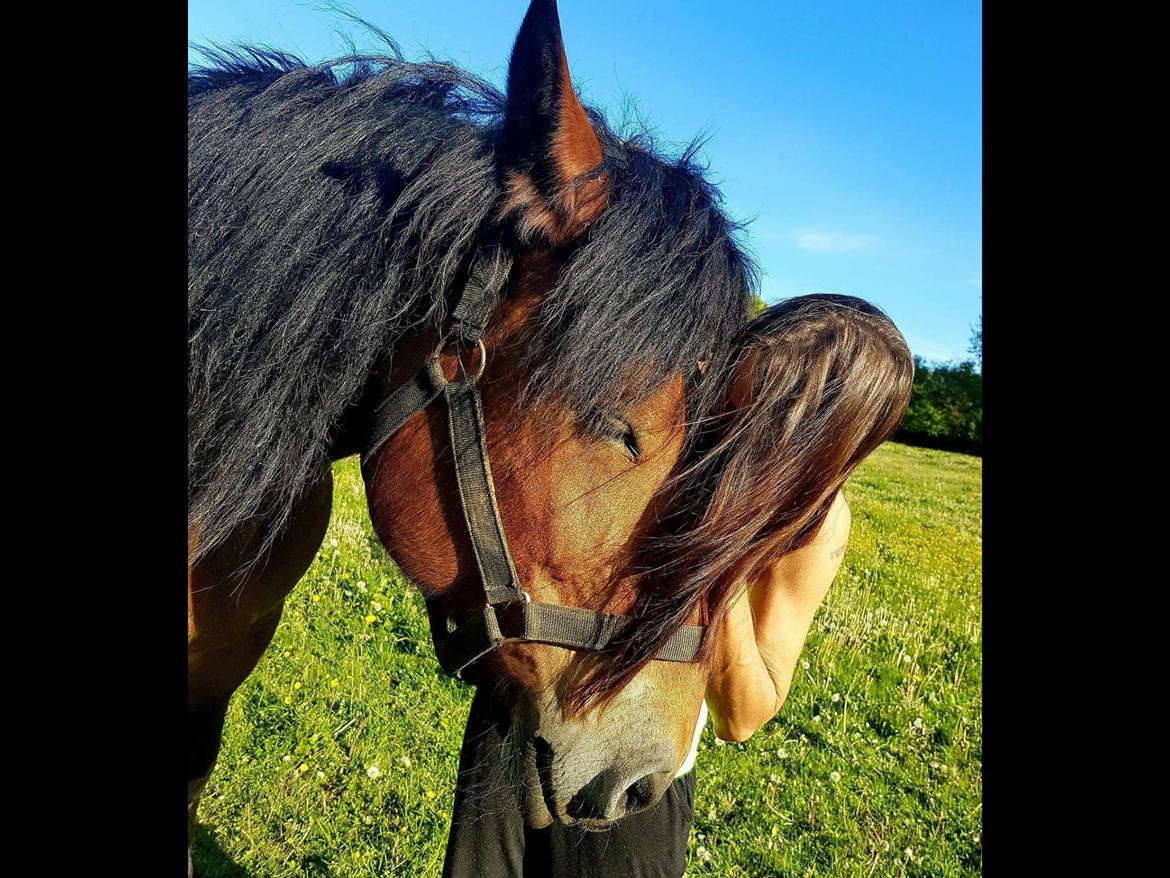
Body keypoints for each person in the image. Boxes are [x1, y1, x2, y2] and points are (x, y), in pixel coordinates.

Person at [441, 295, 915, 878]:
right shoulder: (672, 406)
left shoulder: (817, 528)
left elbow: (742, 715)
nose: (727, 431)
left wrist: (726, 555)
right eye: (734, 395)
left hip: (634, 759)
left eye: (766, 424)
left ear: (823, 446)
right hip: (524, 698)